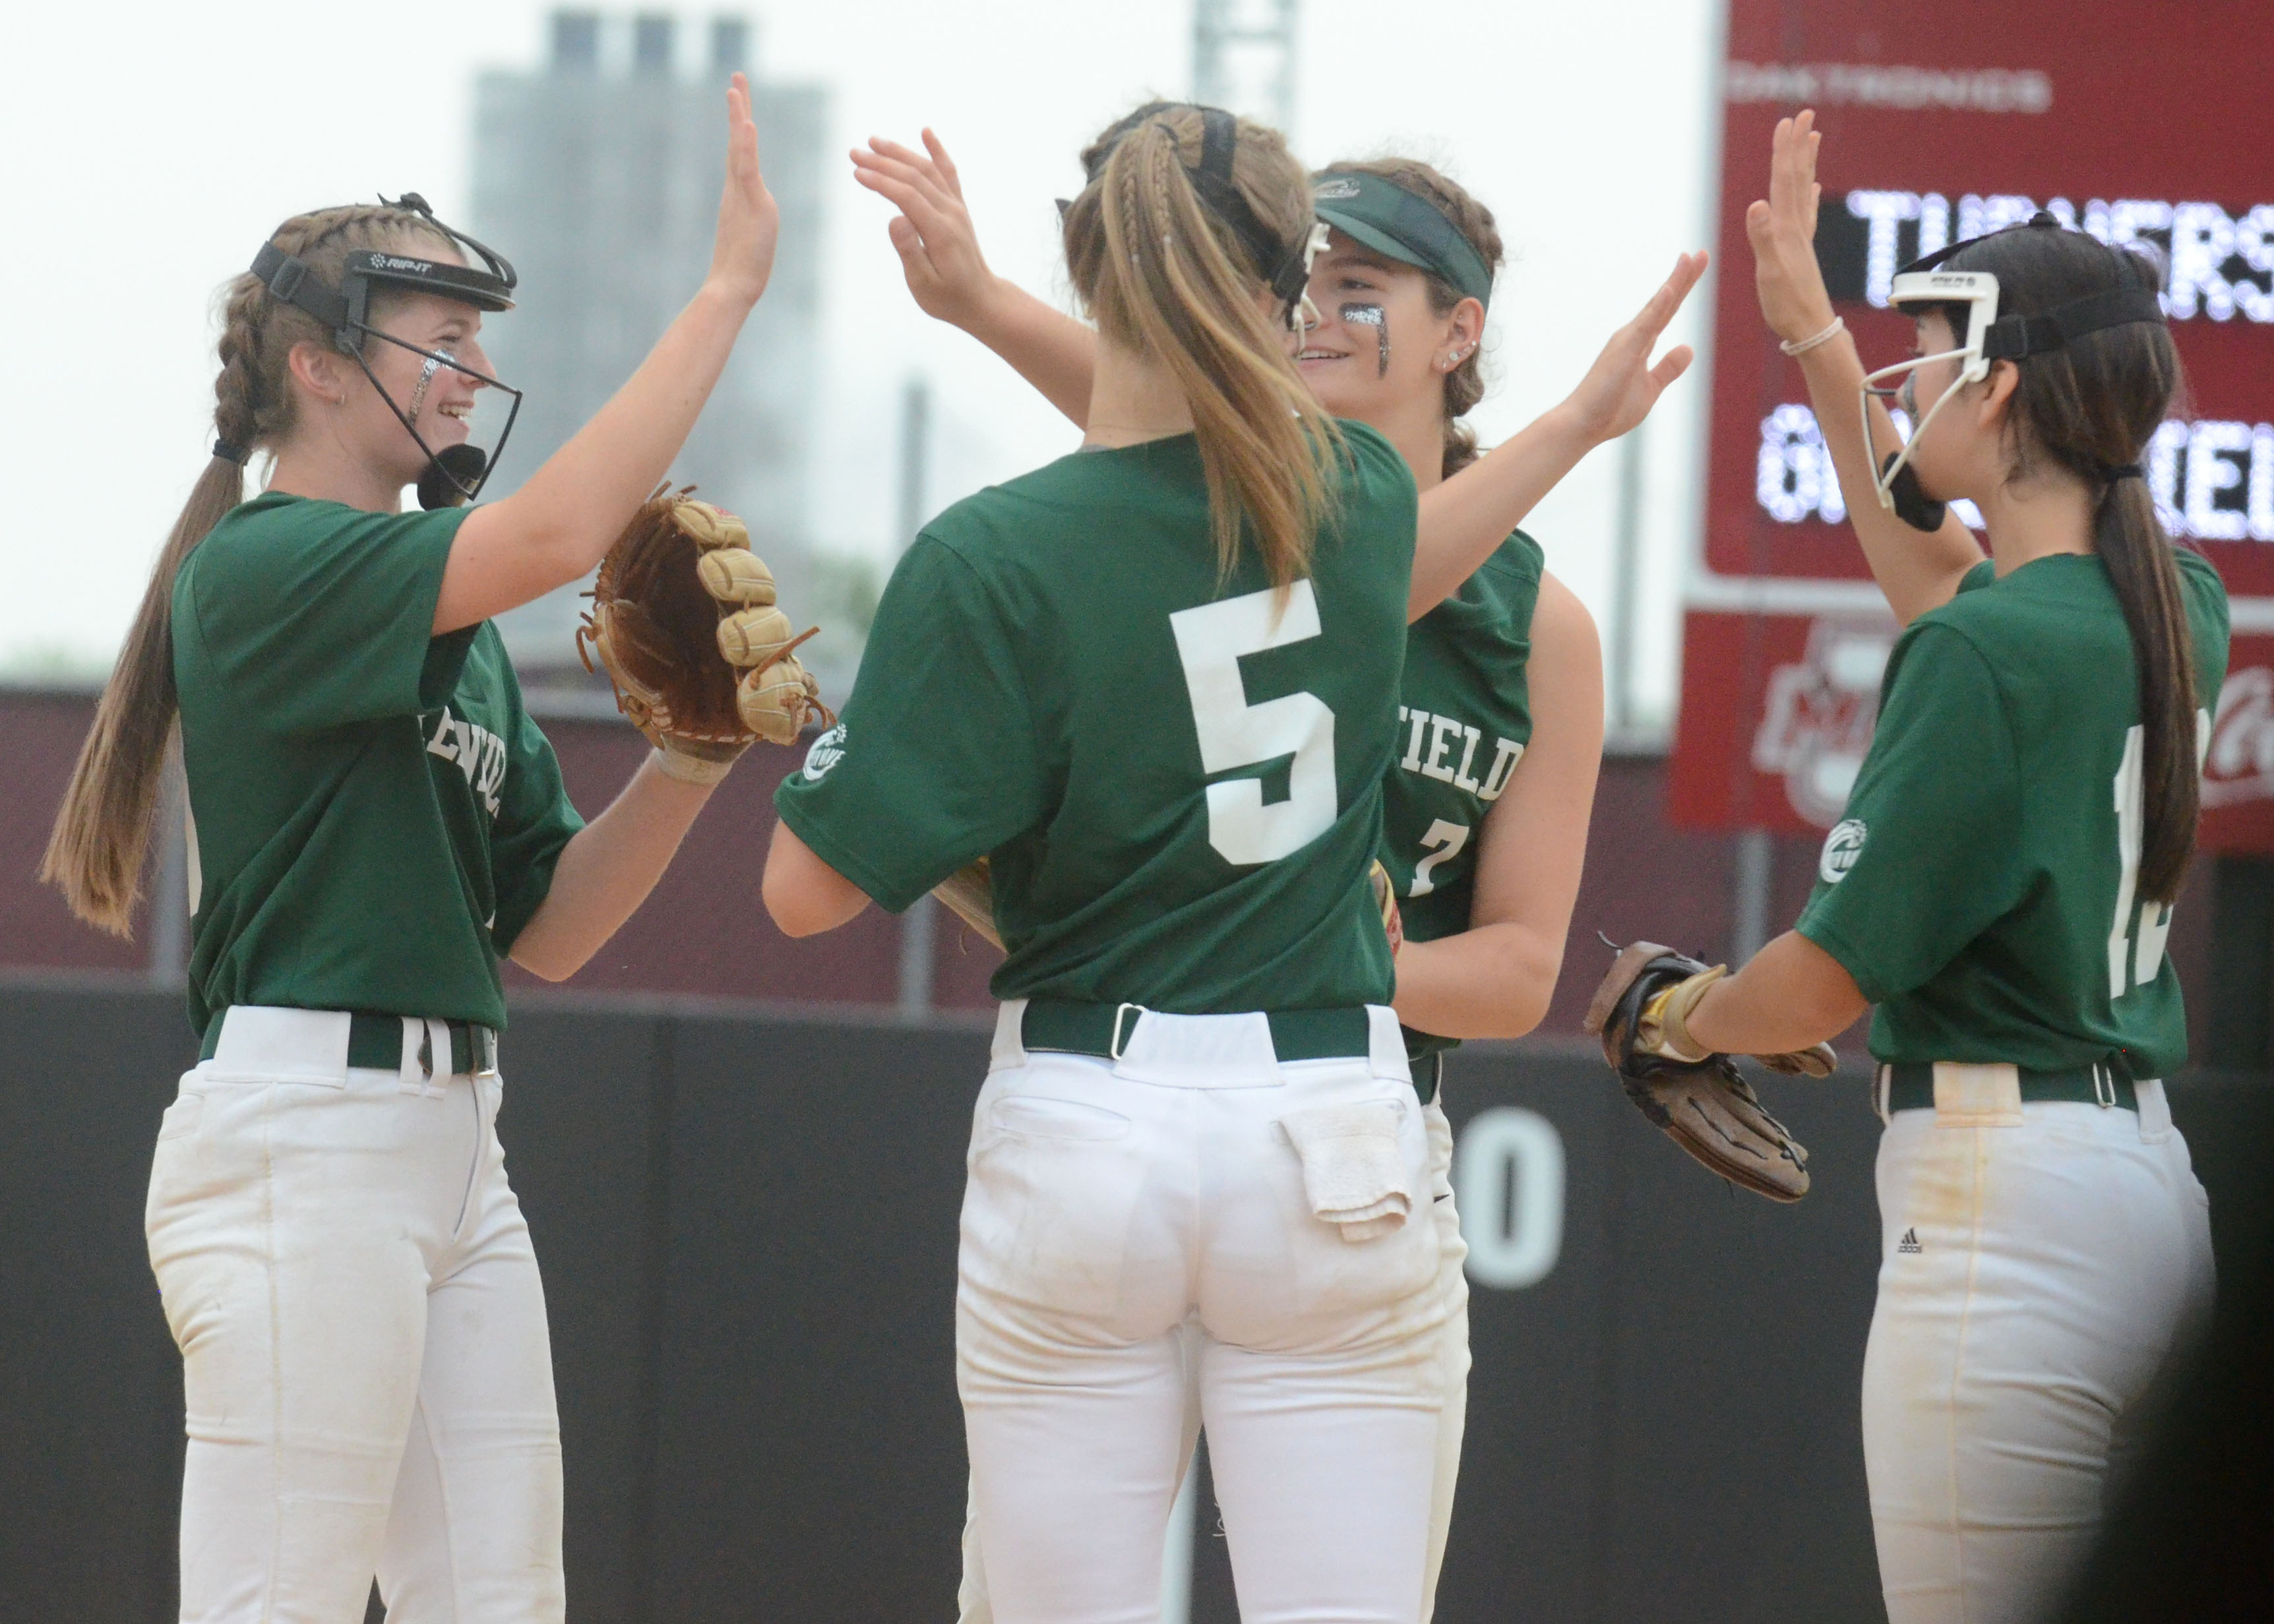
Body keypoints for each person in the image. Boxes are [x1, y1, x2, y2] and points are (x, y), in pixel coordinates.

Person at [766, 100, 1695, 1622]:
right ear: (1262, 295)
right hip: (1328, 1121)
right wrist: (1574, 425)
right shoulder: (1364, 513)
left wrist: (897, 789)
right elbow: (1273, 496)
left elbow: (804, 891)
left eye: (1366, 288)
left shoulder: (1020, 547)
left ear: (1458, 329)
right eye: (1311, 278)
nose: (1324, 311)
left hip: (1095, 1101)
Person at [40, 76, 782, 1621]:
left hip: (453, 1144)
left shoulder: (449, 618)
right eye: (438, 335)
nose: (477, 370)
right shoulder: (267, 564)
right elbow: (564, 533)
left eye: (476, 337)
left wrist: (693, 756)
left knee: (501, 1604)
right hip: (304, 1134)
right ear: (316, 368)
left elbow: (555, 927)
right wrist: (723, 291)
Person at [1612, 110, 2223, 1623]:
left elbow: (1812, 984)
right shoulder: (2176, 602)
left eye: (1928, 347)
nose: (1905, 369)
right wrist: (1818, 343)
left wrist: (1676, 1016)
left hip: (2004, 1205)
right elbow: (1947, 579)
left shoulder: (1989, 647)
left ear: (2000, 383)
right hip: (2150, 1192)